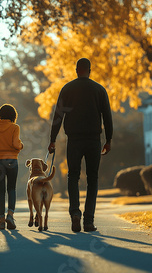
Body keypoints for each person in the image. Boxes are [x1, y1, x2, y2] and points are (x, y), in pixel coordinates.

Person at [48, 58, 113, 232]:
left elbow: (58, 115)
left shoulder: (67, 89)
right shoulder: (99, 90)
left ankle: (75, 213)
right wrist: (108, 140)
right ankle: (89, 221)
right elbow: (107, 116)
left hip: (74, 140)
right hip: (93, 140)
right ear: (89, 70)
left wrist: (52, 139)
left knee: (73, 176)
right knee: (92, 179)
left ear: (76, 70)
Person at [0, 104, 24, 230]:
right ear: (13, 115)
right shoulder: (15, 127)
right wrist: (20, 145)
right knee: (11, 188)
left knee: (0, 190)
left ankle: (1, 220)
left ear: (0, 115)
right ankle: (10, 215)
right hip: (12, 160)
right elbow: (15, 143)